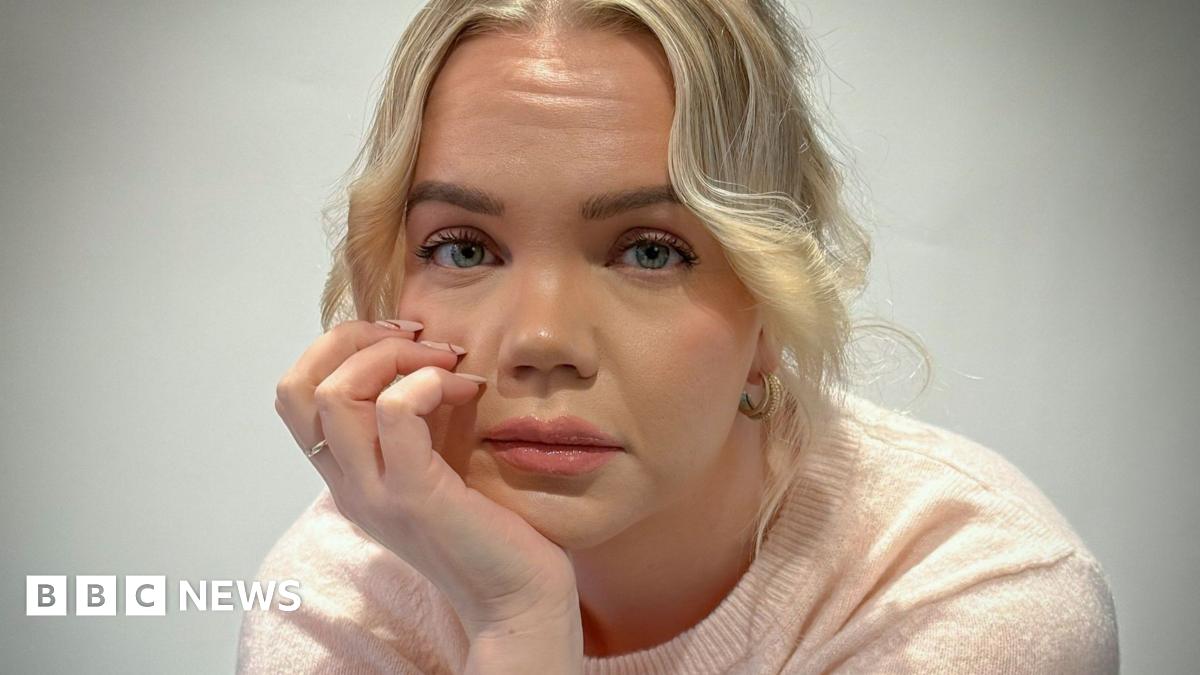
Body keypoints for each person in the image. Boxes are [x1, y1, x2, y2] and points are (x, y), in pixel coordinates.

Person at [236, 1, 1119, 672]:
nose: (542, 338)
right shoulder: (337, 605)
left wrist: (518, 629)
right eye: (463, 247)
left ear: (773, 303)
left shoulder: (967, 591)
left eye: (651, 251)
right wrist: (515, 614)